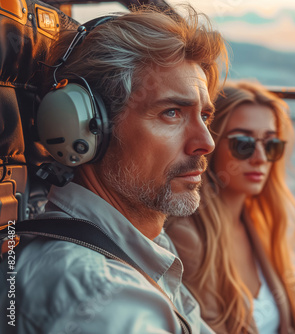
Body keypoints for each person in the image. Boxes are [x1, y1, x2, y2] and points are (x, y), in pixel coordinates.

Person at [0, 5, 227, 334]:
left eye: (204, 116)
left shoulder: (144, 247)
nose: (206, 142)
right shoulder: (102, 297)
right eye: (173, 113)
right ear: (85, 128)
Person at [166, 81, 295, 334]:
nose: (260, 157)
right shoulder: (189, 238)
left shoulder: (262, 223)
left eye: (271, 145)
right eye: (243, 144)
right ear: (209, 144)